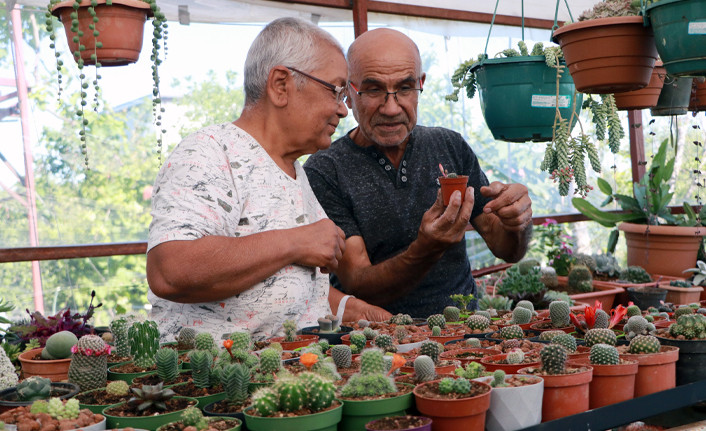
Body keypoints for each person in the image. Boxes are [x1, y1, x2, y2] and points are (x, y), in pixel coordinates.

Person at [146, 17, 390, 343]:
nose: (343, 109)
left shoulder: (296, 171)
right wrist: (296, 242)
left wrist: (355, 311)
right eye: (336, 90)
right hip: (216, 383)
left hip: (287, 375)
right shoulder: (210, 153)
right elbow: (169, 271)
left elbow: (291, 287)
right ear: (280, 85)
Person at [304, 28, 533, 317]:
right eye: (373, 89)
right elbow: (357, 282)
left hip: (464, 330)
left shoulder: (449, 146)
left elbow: (506, 248)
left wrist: (517, 221)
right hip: (381, 342)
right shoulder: (326, 170)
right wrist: (426, 248)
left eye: (405, 88)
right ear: (349, 93)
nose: (391, 108)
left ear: (420, 85)